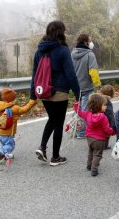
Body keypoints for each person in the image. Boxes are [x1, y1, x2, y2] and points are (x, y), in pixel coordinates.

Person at [30, 20, 80, 166]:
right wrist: (78, 93)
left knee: (52, 119)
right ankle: (55, 157)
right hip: (59, 93)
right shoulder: (63, 50)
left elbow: (34, 74)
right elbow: (71, 74)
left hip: (44, 92)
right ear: (61, 32)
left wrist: (33, 94)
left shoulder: (39, 51)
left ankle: (42, 147)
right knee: (58, 123)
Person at [0, 88, 37, 165]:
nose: (15, 99)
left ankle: (3, 153)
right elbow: (24, 109)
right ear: (12, 99)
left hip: (0, 131)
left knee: (3, 143)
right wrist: (32, 102)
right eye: (15, 98)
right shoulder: (14, 108)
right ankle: (4, 154)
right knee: (10, 145)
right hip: (8, 133)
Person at [73, 93, 115, 176]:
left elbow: (79, 113)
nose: (106, 106)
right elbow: (107, 129)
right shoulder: (103, 117)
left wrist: (76, 104)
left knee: (91, 152)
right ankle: (94, 169)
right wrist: (114, 132)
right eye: (104, 105)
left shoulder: (88, 113)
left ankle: (89, 165)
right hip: (99, 140)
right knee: (97, 154)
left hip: (89, 138)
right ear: (99, 106)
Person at [71, 34, 101, 138]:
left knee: (77, 109)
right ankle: (81, 132)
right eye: (90, 41)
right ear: (85, 42)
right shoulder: (90, 55)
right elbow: (93, 71)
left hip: (75, 87)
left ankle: (74, 129)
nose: (91, 43)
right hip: (86, 87)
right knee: (84, 110)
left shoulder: (72, 54)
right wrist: (98, 85)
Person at [99, 84, 116, 149]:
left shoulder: (99, 100)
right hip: (106, 120)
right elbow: (109, 114)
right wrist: (113, 125)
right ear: (111, 94)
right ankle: (104, 145)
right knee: (107, 134)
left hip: (99, 119)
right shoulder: (108, 102)